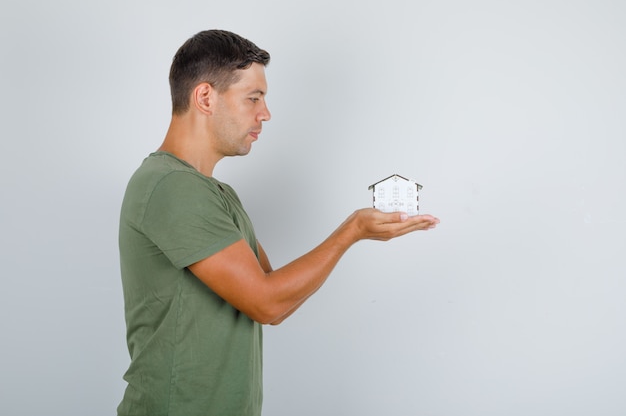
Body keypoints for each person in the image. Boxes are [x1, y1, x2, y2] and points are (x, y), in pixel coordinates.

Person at [117, 29, 440, 416]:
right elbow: (267, 304)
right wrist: (351, 231)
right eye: (253, 98)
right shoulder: (172, 187)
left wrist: (356, 234)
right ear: (205, 97)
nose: (265, 113)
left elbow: (277, 303)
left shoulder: (215, 194)